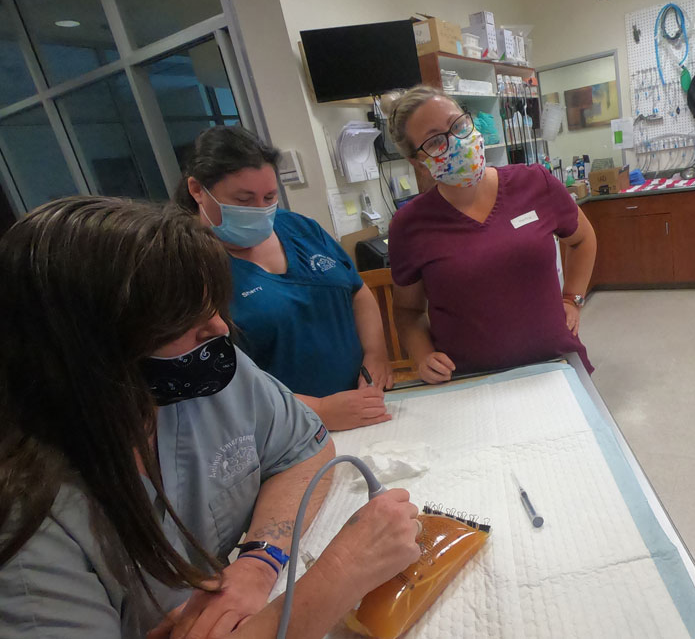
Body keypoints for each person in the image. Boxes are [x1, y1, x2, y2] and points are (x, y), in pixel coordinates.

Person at [0, 197, 421, 638]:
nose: (218, 329)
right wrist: (339, 576)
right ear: (86, 351)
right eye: (182, 318)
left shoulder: (204, 373)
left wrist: (260, 560)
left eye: (213, 305)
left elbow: (303, 449)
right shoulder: (29, 518)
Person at [173, 126, 392, 431]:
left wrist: (376, 355)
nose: (261, 211)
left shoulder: (300, 229)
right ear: (197, 190)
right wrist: (319, 410)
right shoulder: (188, 269)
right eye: (244, 200)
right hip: (282, 430)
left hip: (363, 403)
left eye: (269, 197)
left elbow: (357, 291)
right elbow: (217, 383)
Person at [384, 86, 598, 384]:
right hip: (472, 381)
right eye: (435, 141)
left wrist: (572, 299)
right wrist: (423, 356)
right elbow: (408, 311)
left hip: (556, 365)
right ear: (417, 162)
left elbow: (583, 240)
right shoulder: (409, 226)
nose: (456, 142)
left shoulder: (535, 183)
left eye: (458, 125)